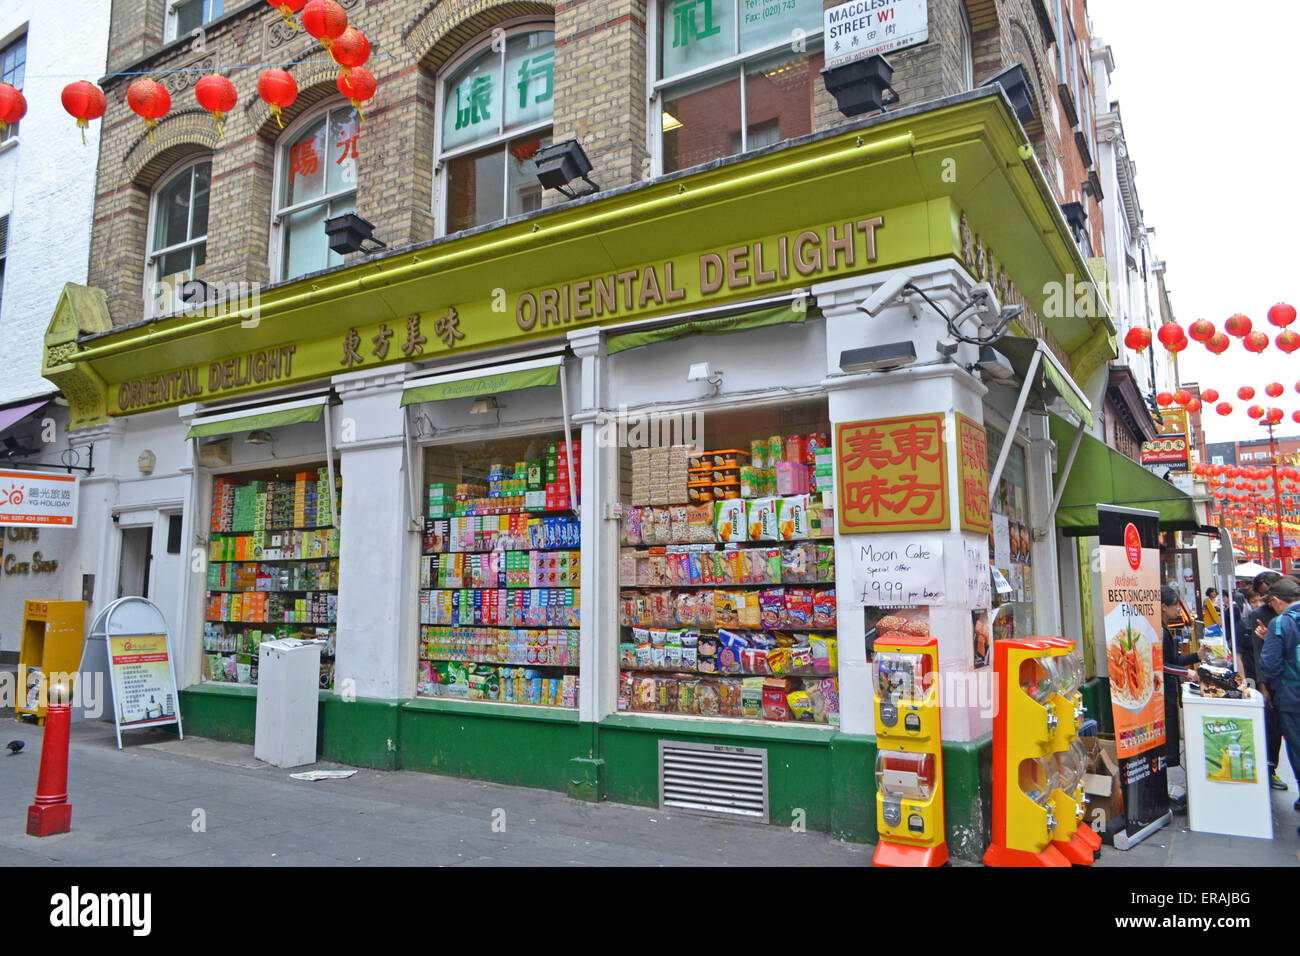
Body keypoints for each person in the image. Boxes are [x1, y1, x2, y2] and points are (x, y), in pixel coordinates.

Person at [1258, 575, 1300, 834]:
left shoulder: (1280, 624)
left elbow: (1269, 665)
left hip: (1292, 698)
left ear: (1276, 601)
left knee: (1297, 750)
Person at [1162, 585, 1208, 805]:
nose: (1177, 611)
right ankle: (1163, 793)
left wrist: (1196, 656)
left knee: (1171, 738)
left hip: (1170, 693)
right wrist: (1186, 672)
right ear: (1163, 607)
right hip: (1162, 696)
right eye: (1174, 606)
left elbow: (1171, 661)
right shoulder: (1159, 632)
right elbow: (1160, 665)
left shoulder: (1164, 630)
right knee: (1166, 740)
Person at [1246, 572, 1288, 789]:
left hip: (1290, 680)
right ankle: (1270, 768)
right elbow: (1257, 651)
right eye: (1263, 595)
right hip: (1273, 681)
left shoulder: (1289, 612)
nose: (1268, 599)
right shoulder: (1260, 615)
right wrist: (1262, 686)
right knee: (1273, 728)